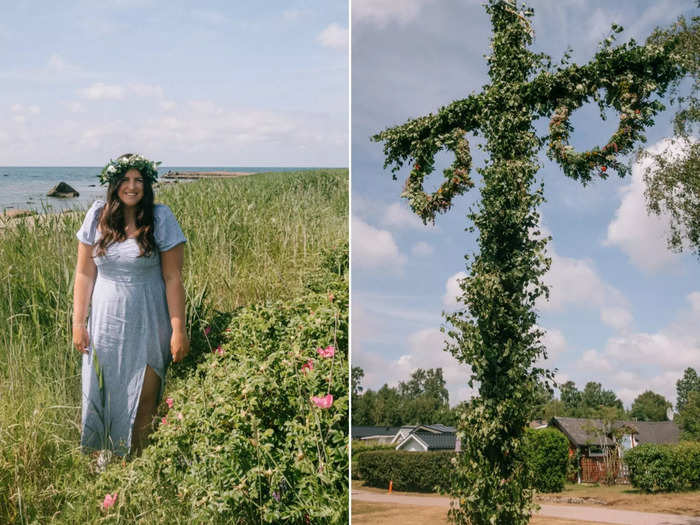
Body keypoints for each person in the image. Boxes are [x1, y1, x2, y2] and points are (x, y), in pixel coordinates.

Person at [72, 153, 189, 461]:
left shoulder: (160, 218)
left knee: (144, 401)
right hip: (105, 325)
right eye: (125, 179)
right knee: (105, 396)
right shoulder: (96, 216)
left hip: (150, 323)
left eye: (139, 180)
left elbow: (173, 277)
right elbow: (84, 274)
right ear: (113, 184)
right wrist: (78, 323)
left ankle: (138, 470)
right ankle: (108, 466)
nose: (132, 186)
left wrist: (179, 330)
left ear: (148, 185)